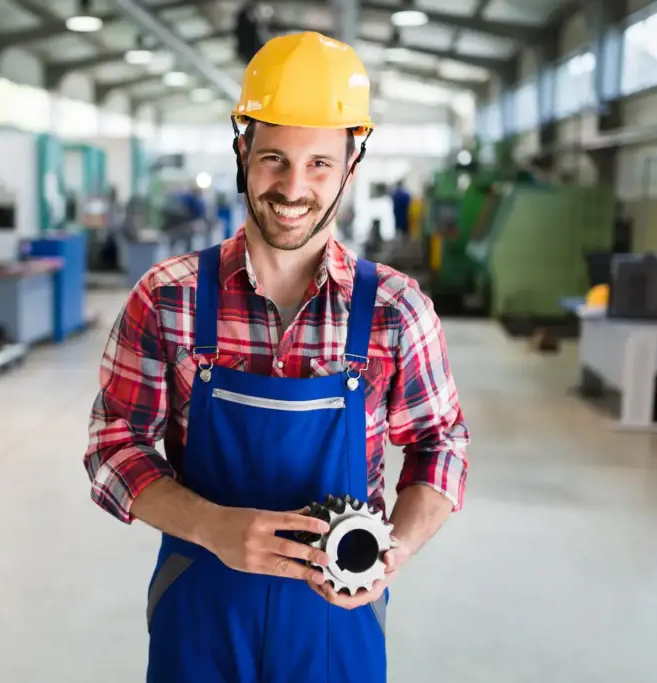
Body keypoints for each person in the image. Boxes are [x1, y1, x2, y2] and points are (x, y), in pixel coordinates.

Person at [84, 31, 469, 683]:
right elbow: (113, 446)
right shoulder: (168, 298)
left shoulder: (396, 311)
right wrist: (210, 524)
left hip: (337, 618)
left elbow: (442, 443)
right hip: (200, 610)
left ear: (352, 164)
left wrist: (392, 549)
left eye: (319, 163)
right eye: (273, 159)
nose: (294, 187)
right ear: (242, 152)